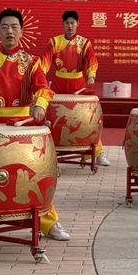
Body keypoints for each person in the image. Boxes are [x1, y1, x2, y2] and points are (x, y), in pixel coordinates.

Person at [0, 8, 69, 242]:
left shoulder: (32, 62)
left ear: (22, 31)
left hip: (21, 126)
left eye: (14, 27)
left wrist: (40, 105)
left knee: (33, 173)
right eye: (5, 27)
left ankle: (48, 221)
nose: (10, 31)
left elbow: (43, 88)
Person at [37, 10, 108, 166]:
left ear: (77, 24)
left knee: (86, 118)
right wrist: (41, 78)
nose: (70, 26)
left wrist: (91, 75)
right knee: (52, 117)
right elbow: (45, 62)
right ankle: (47, 149)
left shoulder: (84, 43)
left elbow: (92, 60)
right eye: (67, 23)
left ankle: (97, 152)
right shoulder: (55, 42)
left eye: (73, 23)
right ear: (63, 24)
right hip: (58, 83)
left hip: (78, 84)